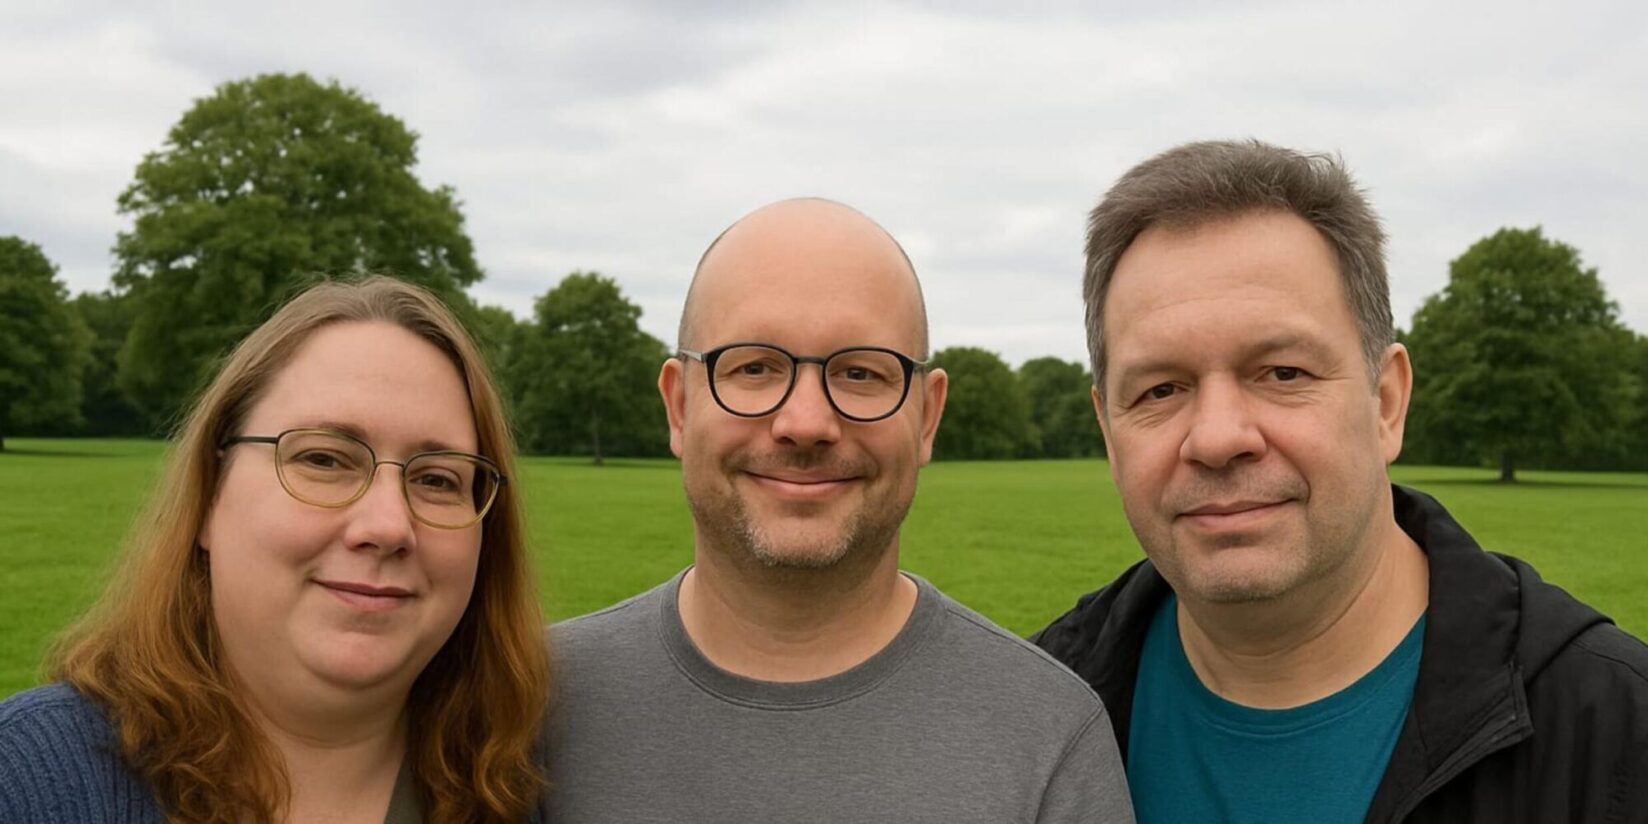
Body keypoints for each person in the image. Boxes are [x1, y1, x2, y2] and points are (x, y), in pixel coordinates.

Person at [1032, 139, 1648, 823]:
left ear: (1386, 401)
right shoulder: (1027, 715)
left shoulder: (1615, 732)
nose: (1216, 438)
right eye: (1160, 389)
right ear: (1108, 431)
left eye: (1283, 373)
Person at [543, 198, 1134, 823]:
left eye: (860, 373)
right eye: (753, 367)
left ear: (927, 417)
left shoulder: (1048, 736)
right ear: (679, 407)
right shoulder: (523, 709)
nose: (806, 423)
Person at [0, 277, 551, 823]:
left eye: (437, 479)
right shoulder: (27, 782)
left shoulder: (530, 791)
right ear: (210, 495)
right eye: (323, 460)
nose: (388, 525)